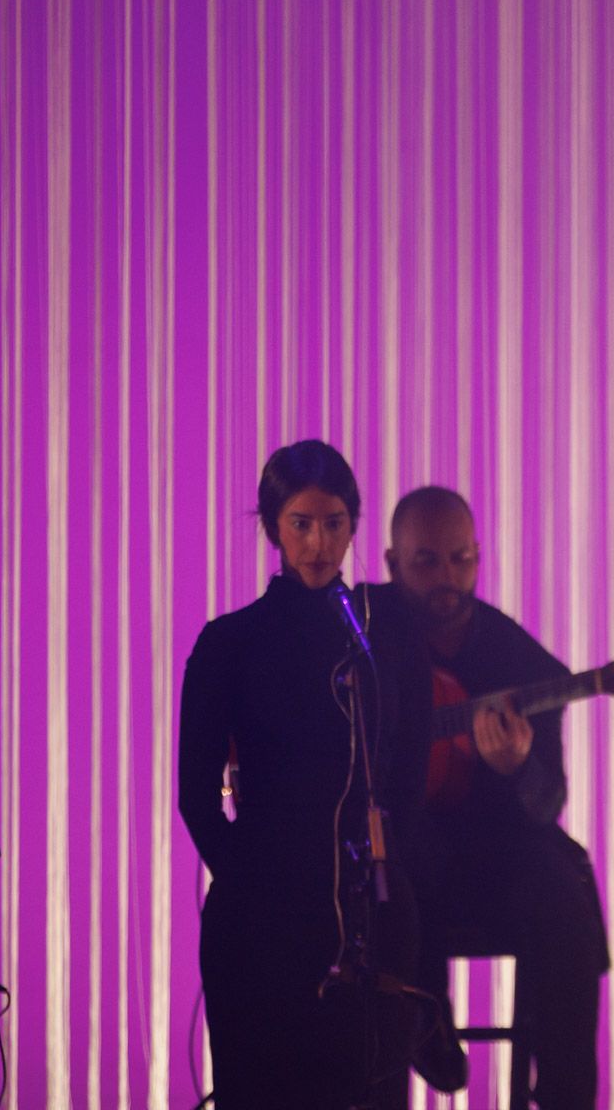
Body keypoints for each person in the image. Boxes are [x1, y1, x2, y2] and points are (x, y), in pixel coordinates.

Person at [178, 441, 434, 1109]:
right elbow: (195, 796)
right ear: (272, 528)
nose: (318, 543)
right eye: (300, 523)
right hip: (260, 907)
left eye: (334, 523)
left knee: (369, 1087)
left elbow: (409, 764)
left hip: (367, 905)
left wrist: (387, 864)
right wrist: (248, 879)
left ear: (354, 525)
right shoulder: (230, 642)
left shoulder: (389, 636)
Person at [369, 486, 608, 1108]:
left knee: (569, 900)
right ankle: (417, 1024)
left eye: (461, 560)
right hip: (394, 858)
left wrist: (519, 768)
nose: (447, 578)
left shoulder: (521, 662)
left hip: (495, 859)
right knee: (387, 870)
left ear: (478, 557)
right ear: (393, 564)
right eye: (426, 563)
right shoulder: (362, 636)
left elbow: (549, 800)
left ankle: (564, 1098)